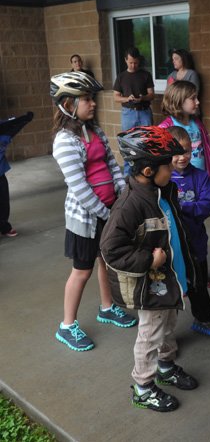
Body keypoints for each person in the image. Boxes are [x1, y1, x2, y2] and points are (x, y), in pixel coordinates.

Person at [101, 126, 200, 412]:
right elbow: (110, 249)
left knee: (168, 326)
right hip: (152, 282)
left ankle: (165, 367)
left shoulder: (162, 191)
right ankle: (143, 387)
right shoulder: (130, 205)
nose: (172, 167)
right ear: (147, 170)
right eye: (167, 164)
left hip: (170, 279)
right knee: (151, 333)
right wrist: (148, 260)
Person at [50, 71, 137, 352]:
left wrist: (122, 196)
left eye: (91, 98)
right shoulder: (64, 141)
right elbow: (80, 189)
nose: (93, 104)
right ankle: (67, 325)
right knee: (82, 271)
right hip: (86, 218)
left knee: (106, 261)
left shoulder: (95, 130)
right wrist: (107, 213)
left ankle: (107, 307)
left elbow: (113, 163)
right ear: (67, 104)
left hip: (109, 209)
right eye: (86, 99)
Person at [159, 80, 210, 287]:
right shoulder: (166, 127)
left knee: (197, 229)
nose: (197, 102)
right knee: (177, 230)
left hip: (197, 181)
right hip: (176, 181)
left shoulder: (197, 124)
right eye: (192, 98)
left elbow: (205, 150)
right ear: (178, 101)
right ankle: (182, 272)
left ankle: (200, 270)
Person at [168, 126, 210, 336]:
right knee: (171, 289)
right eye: (176, 152)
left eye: (186, 151)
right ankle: (165, 334)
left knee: (198, 284)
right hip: (172, 247)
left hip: (196, 242)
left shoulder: (200, 177)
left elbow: (207, 206)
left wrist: (181, 207)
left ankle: (204, 319)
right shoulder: (163, 180)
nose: (182, 157)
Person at [0, 112, 34, 238]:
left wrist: (25, 119)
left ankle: (4, 226)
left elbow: (13, 125)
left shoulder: (4, 131)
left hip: (0, 173)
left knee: (3, 201)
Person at [113, 46, 155, 133]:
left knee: (148, 139)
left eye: (135, 63)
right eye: (130, 62)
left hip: (145, 111)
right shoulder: (121, 77)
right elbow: (116, 97)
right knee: (127, 139)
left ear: (139, 60)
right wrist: (127, 99)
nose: (133, 65)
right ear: (125, 60)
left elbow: (151, 94)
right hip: (128, 113)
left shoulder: (146, 75)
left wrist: (142, 98)